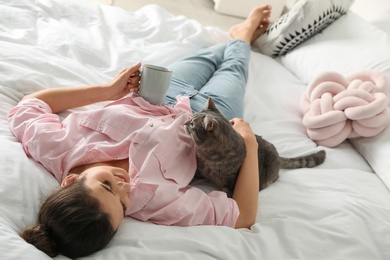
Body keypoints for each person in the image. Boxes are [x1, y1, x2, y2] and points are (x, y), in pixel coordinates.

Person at [7, 5, 271, 258]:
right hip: (214, 121)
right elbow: (241, 217)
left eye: (108, 186)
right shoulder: (155, 203)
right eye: (122, 205)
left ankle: (234, 40)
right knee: (234, 66)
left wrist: (109, 91)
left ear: (71, 181)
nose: (124, 186)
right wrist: (249, 145)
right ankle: (244, 36)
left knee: (210, 55)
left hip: (164, 89)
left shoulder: (56, 148)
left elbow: (31, 105)